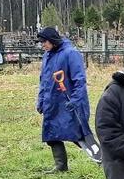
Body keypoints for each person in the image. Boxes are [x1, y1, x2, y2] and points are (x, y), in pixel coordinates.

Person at [35, 26, 92, 171]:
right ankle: (61, 166)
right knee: (51, 135)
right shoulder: (47, 56)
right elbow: (44, 81)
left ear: (52, 40)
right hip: (52, 102)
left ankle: (103, 159)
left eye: (44, 42)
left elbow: (79, 80)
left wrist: (75, 100)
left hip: (69, 102)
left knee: (78, 135)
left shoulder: (71, 53)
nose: (43, 45)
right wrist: (41, 100)